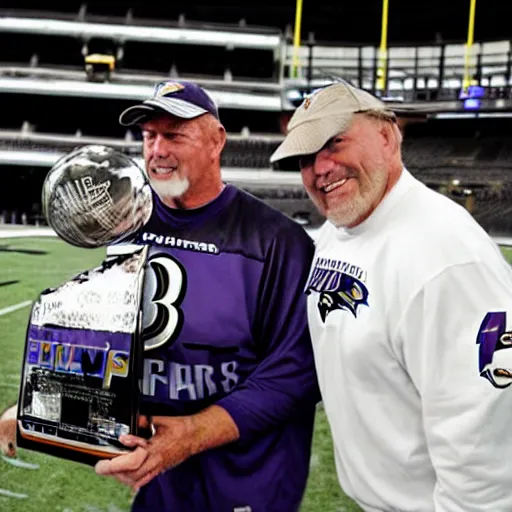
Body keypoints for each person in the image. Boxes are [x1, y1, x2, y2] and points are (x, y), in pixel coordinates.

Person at [270, 81, 512, 511]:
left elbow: (486, 425)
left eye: (334, 143)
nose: (319, 168)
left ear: (386, 135)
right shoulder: (341, 227)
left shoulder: (447, 256)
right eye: (305, 158)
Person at [94, 80, 320, 512]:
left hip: (248, 482)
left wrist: (192, 433)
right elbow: (105, 340)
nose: (157, 151)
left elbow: (296, 372)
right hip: (162, 482)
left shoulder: (276, 241)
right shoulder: (126, 230)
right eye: (149, 136)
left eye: (174, 135)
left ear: (217, 141)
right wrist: (40, 409)